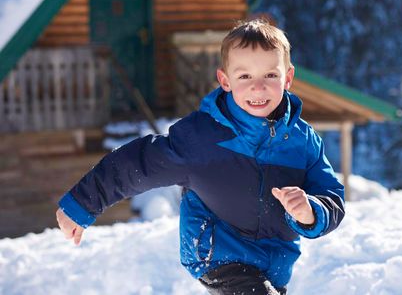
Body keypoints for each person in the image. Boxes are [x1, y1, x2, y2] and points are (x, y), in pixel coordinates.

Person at [56, 19, 345, 295]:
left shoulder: (303, 142)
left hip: (276, 263)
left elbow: (331, 196)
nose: (258, 87)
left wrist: (311, 211)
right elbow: (139, 163)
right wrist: (82, 203)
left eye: (270, 75)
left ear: (289, 78)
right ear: (225, 80)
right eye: (245, 76)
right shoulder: (202, 137)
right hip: (217, 253)